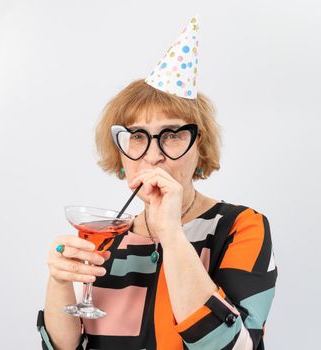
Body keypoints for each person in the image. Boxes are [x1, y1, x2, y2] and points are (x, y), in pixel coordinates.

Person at [37, 16, 277, 350]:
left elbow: (232, 346)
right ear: (122, 155)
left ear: (200, 148)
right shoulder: (105, 240)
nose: (153, 155)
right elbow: (64, 346)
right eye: (137, 136)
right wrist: (60, 281)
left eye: (173, 134)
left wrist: (171, 234)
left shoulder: (241, 228)